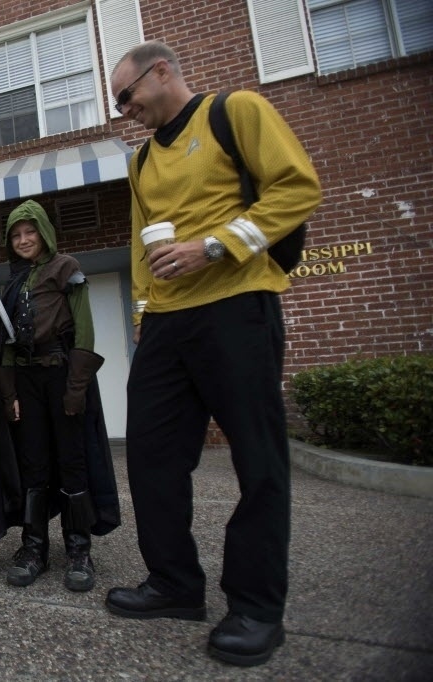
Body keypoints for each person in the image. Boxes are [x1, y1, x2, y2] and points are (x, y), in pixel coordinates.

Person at [105, 41, 321, 667]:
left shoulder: (237, 111)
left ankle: (255, 609)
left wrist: (217, 245)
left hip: (237, 305)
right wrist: (144, 315)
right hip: (167, 325)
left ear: (162, 72)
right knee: (149, 456)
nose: (125, 111)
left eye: (128, 96)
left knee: (258, 459)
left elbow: (296, 188)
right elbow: (142, 248)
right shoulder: (141, 160)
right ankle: (174, 584)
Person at [0, 199, 120, 593]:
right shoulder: (13, 281)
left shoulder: (66, 268)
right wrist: (9, 396)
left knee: (72, 460)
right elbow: (7, 345)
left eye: (30, 232)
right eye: (16, 234)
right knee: (34, 464)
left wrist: (76, 388)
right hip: (26, 382)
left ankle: (78, 549)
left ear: (44, 233)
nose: (24, 240)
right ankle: (34, 548)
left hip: (62, 375)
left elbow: (85, 330)